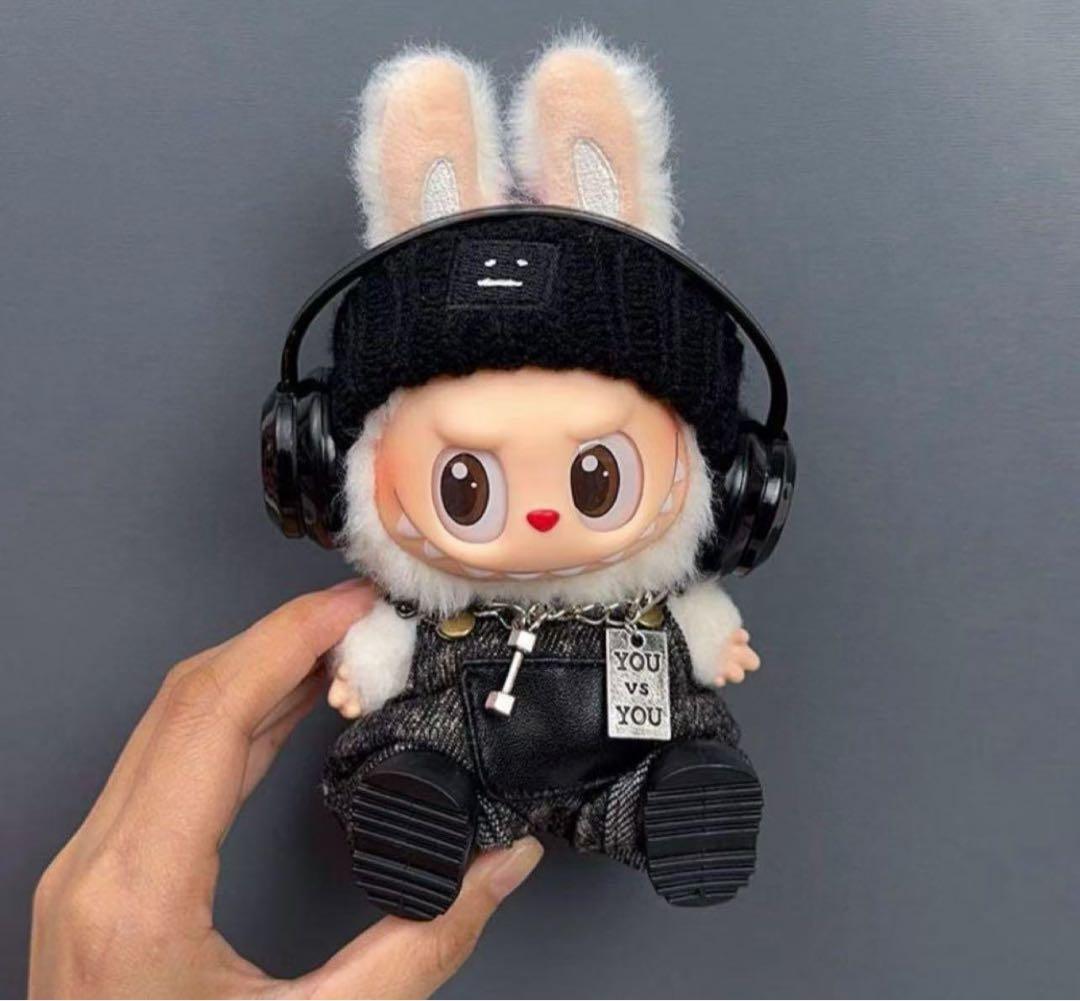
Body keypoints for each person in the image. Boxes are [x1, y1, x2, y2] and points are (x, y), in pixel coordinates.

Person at [28, 580, 543, 998]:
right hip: (450, 743)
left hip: (571, 734)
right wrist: (362, 671)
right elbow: (389, 647)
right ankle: (421, 802)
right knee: (420, 755)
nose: (539, 516)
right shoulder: (427, 610)